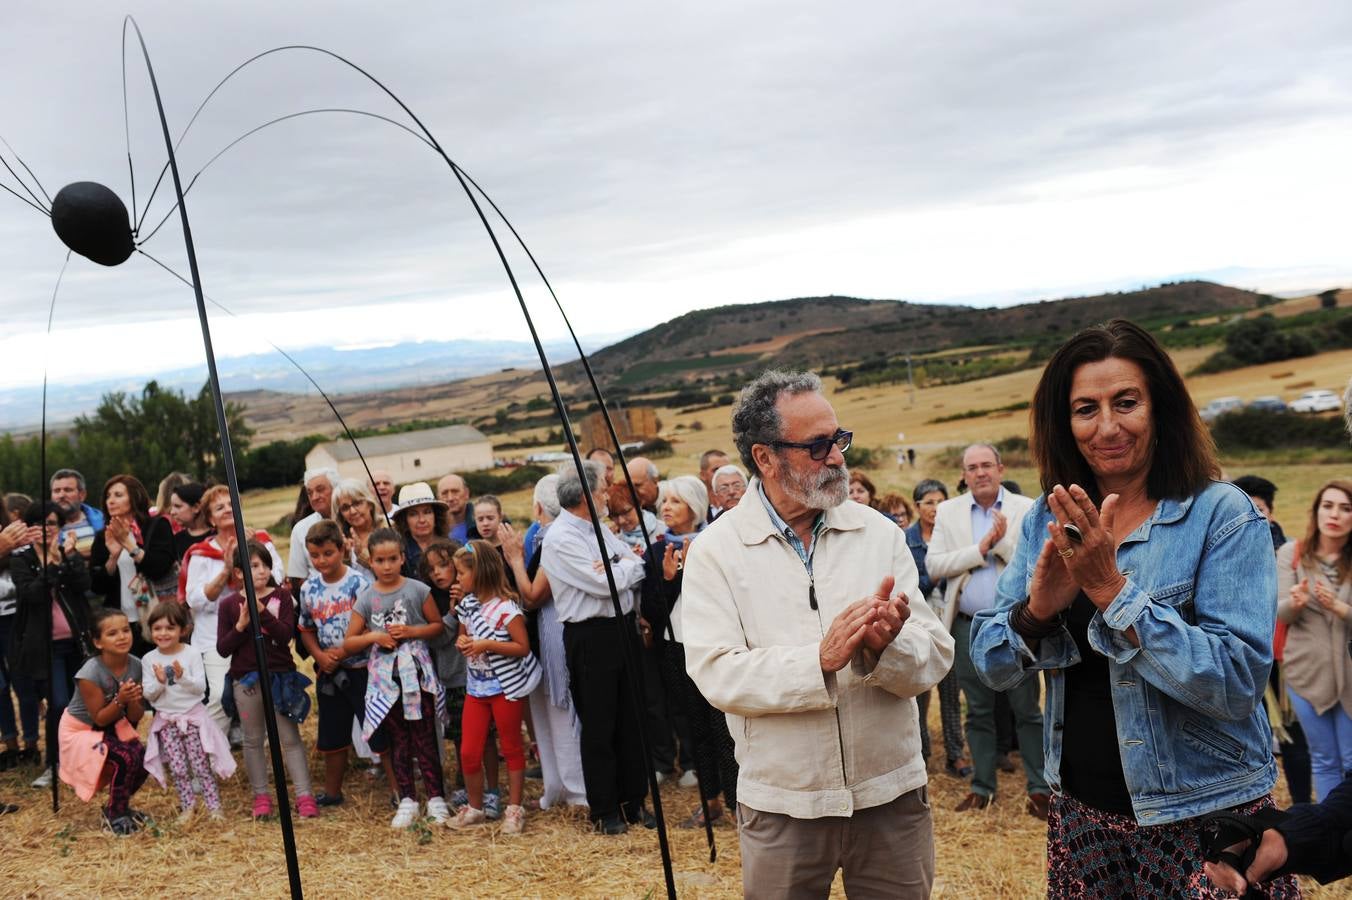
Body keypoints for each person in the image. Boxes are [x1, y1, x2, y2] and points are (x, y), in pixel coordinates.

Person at [968, 318, 1295, 897]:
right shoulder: (1049, 520)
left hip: (1202, 817)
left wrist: (1114, 595)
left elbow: (1239, 683)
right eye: (1085, 409)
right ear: (1063, 423)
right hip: (1083, 819)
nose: (1107, 427)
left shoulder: (1222, 516)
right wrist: (1036, 613)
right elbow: (992, 664)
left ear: (1160, 408)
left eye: (1126, 403)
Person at [682, 370, 954, 898]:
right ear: (765, 458)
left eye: (839, 439)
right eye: (817, 445)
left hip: (890, 796)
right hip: (785, 805)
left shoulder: (877, 533)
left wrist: (885, 649)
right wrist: (819, 660)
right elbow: (716, 672)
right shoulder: (717, 552)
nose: (836, 457)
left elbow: (935, 654)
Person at [926, 443, 1046, 816]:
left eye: (986, 466)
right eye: (972, 467)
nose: (979, 473)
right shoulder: (948, 511)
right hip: (967, 626)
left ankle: (1040, 789)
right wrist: (980, 548)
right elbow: (935, 565)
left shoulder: (1025, 508)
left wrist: (1002, 544)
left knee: (1026, 708)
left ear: (1000, 467)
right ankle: (982, 787)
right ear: (963, 474)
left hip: (1016, 624)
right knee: (976, 710)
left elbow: (1037, 564)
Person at [540, 460, 656, 835]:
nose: (607, 495)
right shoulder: (560, 539)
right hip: (590, 637)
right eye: (602, 489)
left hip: (622, 630)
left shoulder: (598, 530)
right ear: (585, 496)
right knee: (600, 724)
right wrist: (617, 569)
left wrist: (616, 567)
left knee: (632, 719)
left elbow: (635, 562)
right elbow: (603, 584)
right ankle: (605, 810)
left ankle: (633, 803)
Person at [643, 474, 740, 828]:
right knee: (693, 726)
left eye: (675, 501)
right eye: (664, 500)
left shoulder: (718, 543)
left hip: (716, 643)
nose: (665, 507)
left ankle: (736, 803)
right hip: (676, 647)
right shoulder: (657, 550)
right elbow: (652, 611)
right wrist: (669, 581)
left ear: (695, 507)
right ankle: (710, 799)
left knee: (723, 727)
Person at [343, 527, 449, 828]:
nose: (387, 566)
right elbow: (349, 641)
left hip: (416, 673)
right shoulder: (366, 598)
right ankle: (407, 798)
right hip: (386, 680)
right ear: (371, 562)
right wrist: (374, 636)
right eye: (380, 560)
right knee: (398, 739)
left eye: (392, 559)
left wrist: (413, 632)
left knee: (425, 734)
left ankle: (436, 796)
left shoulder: (417, 590)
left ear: (403, 558)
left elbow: (436, 626)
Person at [500, 480, 589, 813]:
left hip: (555, 633)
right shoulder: (544, 537)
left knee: (561, 713)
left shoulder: (555, 539)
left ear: (538, 508)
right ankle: (556, 787)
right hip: (543, 636)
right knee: (545, 715)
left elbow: (533, 596)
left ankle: (577, 792)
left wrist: (513, 559)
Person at [217, 540, 319, 820]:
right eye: (253, 566)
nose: (260, 571)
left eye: (264, 565)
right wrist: (240, 625)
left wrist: (262, 614)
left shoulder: (282, 598)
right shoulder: (229, 605)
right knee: (252, 739)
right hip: (246, 681)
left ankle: (304, 795)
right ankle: (261, 796)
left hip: (280, 677)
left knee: (290, 737)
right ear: (239, 573)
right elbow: (223, 648)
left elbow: (286, 635)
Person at [449, 540, 541, 833]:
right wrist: (463, 642)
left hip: (505, 689)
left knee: (512, 746)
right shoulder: (467, 605)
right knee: (468, 751)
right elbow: (462, 638)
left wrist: (487, 644)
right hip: (476, 690)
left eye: (461, 573)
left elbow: (522, 647)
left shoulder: (506, 609)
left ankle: (514, 809)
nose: (457, 579)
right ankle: (475, 808)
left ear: (480, 573)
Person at [297, 518, 387, 807]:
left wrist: (344, 652)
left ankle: (401, 790)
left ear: (342, 549)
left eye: (328, 553)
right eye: (315, 555)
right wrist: (321, 656)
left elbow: (371, 625)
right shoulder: (309, 589)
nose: (321, 560)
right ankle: (333, 792)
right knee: (332, 733)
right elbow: (306, 628)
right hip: (330, 671)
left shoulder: (359, 583)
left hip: (362, 668)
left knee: (378, 729)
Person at [1234, 474, 1312, 806]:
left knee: (1294, 732)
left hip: (1283, 653)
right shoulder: (1223, 550)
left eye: (1259, 508)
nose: (1253, 515)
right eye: (1245, 507)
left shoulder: (1290, 552)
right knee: (1251, 732)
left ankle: (1302, 805)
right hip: (1242, 652)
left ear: (1272, 512)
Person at [182, 484, 283, 734]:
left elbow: (277, 579)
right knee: (218, 696)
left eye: (231, 504)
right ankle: (214, 752)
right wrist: (227, 570)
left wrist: (251, 553)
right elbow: (193, 599)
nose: (228, 509)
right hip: (216, 638)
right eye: (220, 507)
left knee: (267, 694)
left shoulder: (259, 541)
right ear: (210, 518)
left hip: (259, 632)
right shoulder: (201, 554)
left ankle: (262, 745)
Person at [1277, 480, 1352, 801]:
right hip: (1306, 672)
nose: (1334, 514)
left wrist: (1339, 608)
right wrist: (1294, 602)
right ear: (1317, 510)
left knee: (1351, 761)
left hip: (1350, 675)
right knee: (1324, 761)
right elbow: (1280, 613)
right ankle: (1333, 842)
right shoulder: (1291, 554)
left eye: (1346, 508)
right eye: (1328, 505)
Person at [11, 501, 91, 789]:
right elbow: (31, 594)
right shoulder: (21, 560)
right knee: (58, 703)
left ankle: (80, 760)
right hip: (46, 647)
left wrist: (67, 560)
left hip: (76, 641)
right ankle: (53, 763)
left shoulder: (69, 554)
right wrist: (52, 566)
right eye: (39, 524)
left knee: (82, 704)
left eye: (52, 523)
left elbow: (84, 583)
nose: (47, 529)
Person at [141, 600, 235, 822]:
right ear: (151, 630)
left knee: (201, 765)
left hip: (192, 719)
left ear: (182, 630)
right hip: (167, 722)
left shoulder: (191, 654)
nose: (163, 633)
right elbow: (149, 694)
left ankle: (214, 808)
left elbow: (200, 688)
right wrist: (161, 682)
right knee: (178, 768)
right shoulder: (149, 659)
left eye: (170, 628)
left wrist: (181, 677)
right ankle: (187, 807)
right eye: (158, 628)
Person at [57, 607, 148, 833]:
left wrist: (134, 700)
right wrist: (121, 699)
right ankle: (115, 816)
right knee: (125, 758)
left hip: (111, 724)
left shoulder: (136, 665)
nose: (122, 637)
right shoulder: (90, 673)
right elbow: (99, 717)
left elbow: (135, 717)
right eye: (112, 633)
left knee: (145, 757)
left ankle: (119, 807)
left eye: (126, 630)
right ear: (98, 642)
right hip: (81, 730)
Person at [905, 478, 969, 780]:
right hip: (918, 627)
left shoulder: (953, 537)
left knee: (950, 691)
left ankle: (956, 754)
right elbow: (911, 585)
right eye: (928, 502)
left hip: (950, 623)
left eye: (940, 501)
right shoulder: (907, 539)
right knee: (918, 695)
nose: (935, 508)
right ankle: (921, 754)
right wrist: (938, 571)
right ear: (917, 506)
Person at [89, 474, 177, 651]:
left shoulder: (157, 525)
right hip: (121, 623)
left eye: (118, 495)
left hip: (157, 618)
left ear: (134, 497)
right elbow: (97, 586)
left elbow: (158, 569)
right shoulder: (103, 536)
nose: (111, 501)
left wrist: (130, 545)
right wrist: (113, 557)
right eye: (108, 496)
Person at [0, 503, 39, 772]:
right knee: (0, 687)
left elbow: (27, 562)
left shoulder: (12, 529)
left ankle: (31, 744)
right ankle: (9, 743)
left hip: (15, 615)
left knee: (23, 679)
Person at [286, 467, 337, 595]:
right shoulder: (301, 529)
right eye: (310, 493)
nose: (314, 497)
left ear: (335, 489)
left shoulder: (352, 519)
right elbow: (298, 577)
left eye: (320, 490)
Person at [392, 482, 450, 578]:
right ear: (404, 520)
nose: (422, 520)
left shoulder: (452, 547)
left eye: (427, 512)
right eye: (413, 514)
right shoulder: (399, 555)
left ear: (436, 515)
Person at [50, 468, 104, 560]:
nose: (61, 495)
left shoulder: (103, 521)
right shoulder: (43, 527)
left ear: (82, 495)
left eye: (68, 490)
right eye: (57, 491)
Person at [332, 478, 380, 577]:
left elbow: (390, 572)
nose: (353, 511)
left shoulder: (388, 527)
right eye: (345, 508)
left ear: (369, 504)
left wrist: (362, 554)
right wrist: (345, 558)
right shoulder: (339, 539)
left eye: (357, 503)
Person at [167, 481, 213, 562]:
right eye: (172, 506)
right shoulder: (176, 540)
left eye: (177, 506)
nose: (172, 512)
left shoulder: (216, 536)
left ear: (196, 507)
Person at [436, 473, 477, 542]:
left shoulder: (482, 524)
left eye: (455, 492)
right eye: (444, 493)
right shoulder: (434, 531)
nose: (450, 498)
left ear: (466, 493)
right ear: (438, 498)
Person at [698, 449, 731, 520]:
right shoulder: (696, 507)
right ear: (703, 475)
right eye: (716, 470)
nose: (722, 473)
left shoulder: (739, 503)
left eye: (726, 469)